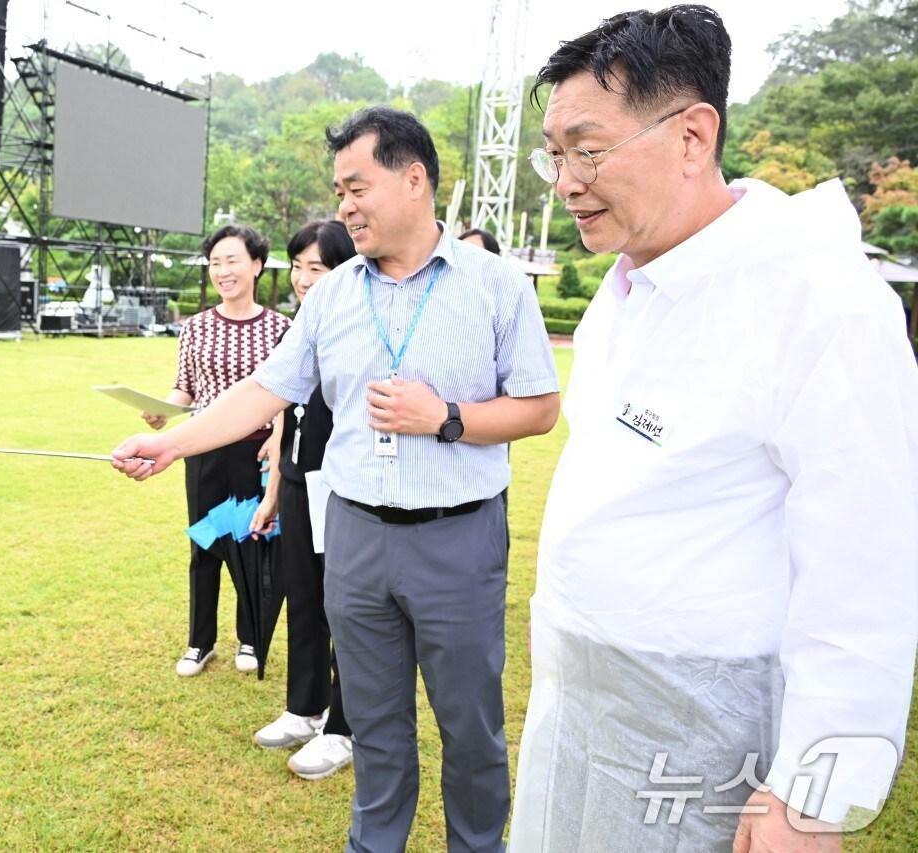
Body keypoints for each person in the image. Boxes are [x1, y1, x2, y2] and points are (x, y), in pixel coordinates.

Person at [509, 7, 918, 853]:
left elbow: (866, 562)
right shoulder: (626, 292)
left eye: (587, 149)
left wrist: (811, 792)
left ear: (693, 135)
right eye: (555, 155)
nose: (567, 181)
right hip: (580, 695)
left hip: (704, 721)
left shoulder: (815, 300)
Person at [116, 106, 560, 852]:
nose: (344, 206)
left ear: (414, 179)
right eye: (338, 189)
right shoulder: (331, 296)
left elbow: (541, 407)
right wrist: (173, 445)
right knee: (377, 724)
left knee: (471, 729)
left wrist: (445, 417)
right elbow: (264, 391)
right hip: (354, 534)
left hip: (458, 536)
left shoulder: (494, 285)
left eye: (358, 187)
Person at [142, 224, 290, 677]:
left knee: (250, 544)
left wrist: (276, 438)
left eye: (232, 261)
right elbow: (185, 387)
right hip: (203, 451)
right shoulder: (196, 328)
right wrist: (164, 413)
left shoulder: (281, 329)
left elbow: (288, 393)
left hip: (256, 454)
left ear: (257, 266)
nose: (222, 271)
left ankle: (250, 638)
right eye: (215, 263)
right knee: (204, 544)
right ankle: (199, 642)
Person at [248, 220, 356, 781]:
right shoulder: (298, 330)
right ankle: (305, 706)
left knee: (346, 608)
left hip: (343, 488)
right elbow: (282, 419)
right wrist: (273, 493)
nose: (303, 279)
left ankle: (343, 726)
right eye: (298, 267)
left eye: (317, 267)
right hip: (296, 481)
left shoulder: (359, 328)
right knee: (305, 599)